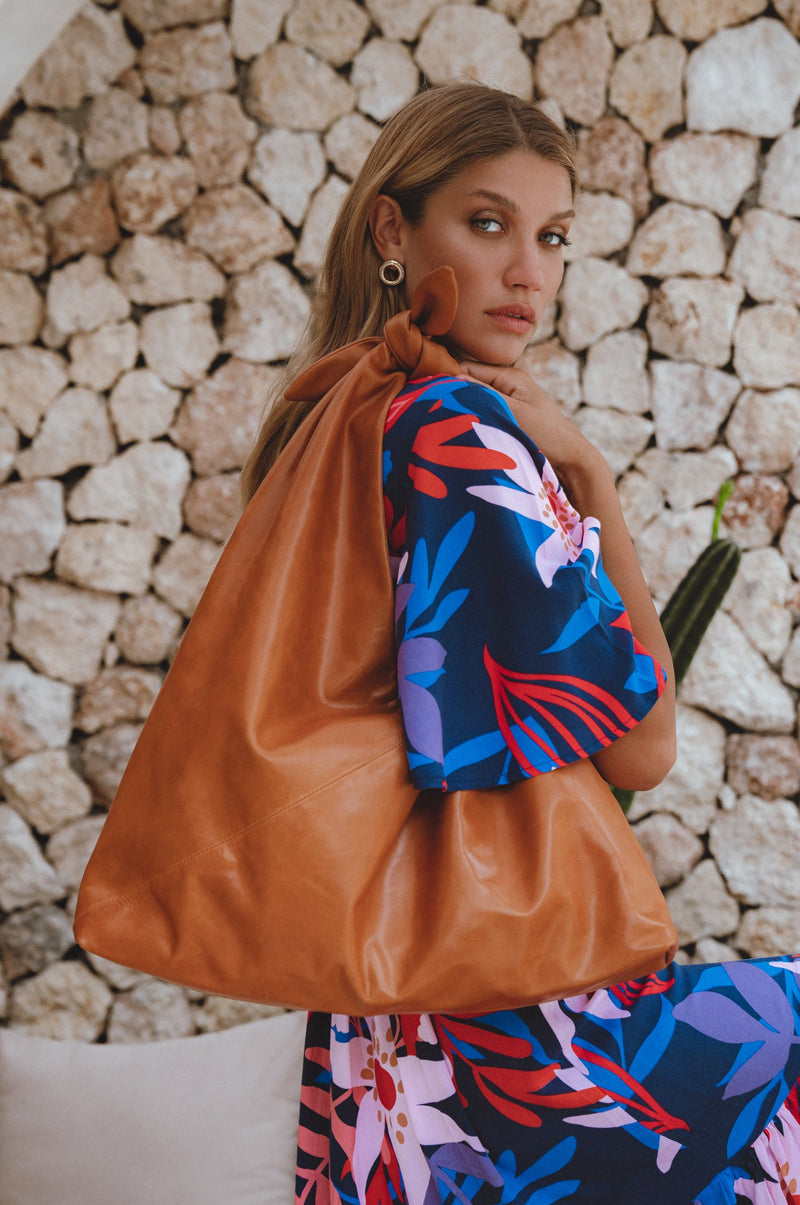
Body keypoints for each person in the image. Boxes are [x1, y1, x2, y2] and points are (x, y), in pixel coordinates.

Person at [240, 84, 800, 1204]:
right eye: (488, 223)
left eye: (551, 236)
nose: (528, 272)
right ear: (393, 230)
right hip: (503, 1025)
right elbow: (641, 750)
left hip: (384, 1025)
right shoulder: (457, 432)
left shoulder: (331, 414)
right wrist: (589, 476)